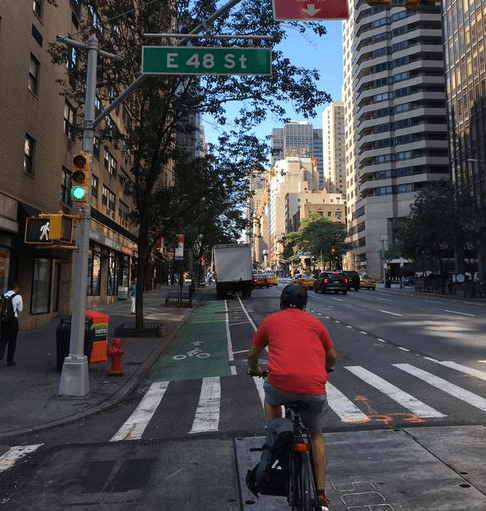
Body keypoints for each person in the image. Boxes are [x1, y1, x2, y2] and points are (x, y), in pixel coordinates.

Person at [247, 284, 337, 510]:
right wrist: (326, 369)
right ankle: (322, 495)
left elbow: (251, 356)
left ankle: (278, 432)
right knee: (315, 436)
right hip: (314, 389)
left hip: (280, 385)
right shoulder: (316, 324)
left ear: (281, 303)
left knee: (271, 398)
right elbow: (332, 357)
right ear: (305, 304)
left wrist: (256, 369)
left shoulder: (270, 321)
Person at [0, 282, 23, 366]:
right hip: (13, 321)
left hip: (3, 320)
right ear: (16, 289)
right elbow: (20, 309)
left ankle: (0, 353)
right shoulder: (18, 297)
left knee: (3, 339)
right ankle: (10, 360)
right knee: (12, 341)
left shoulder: (2, 296)